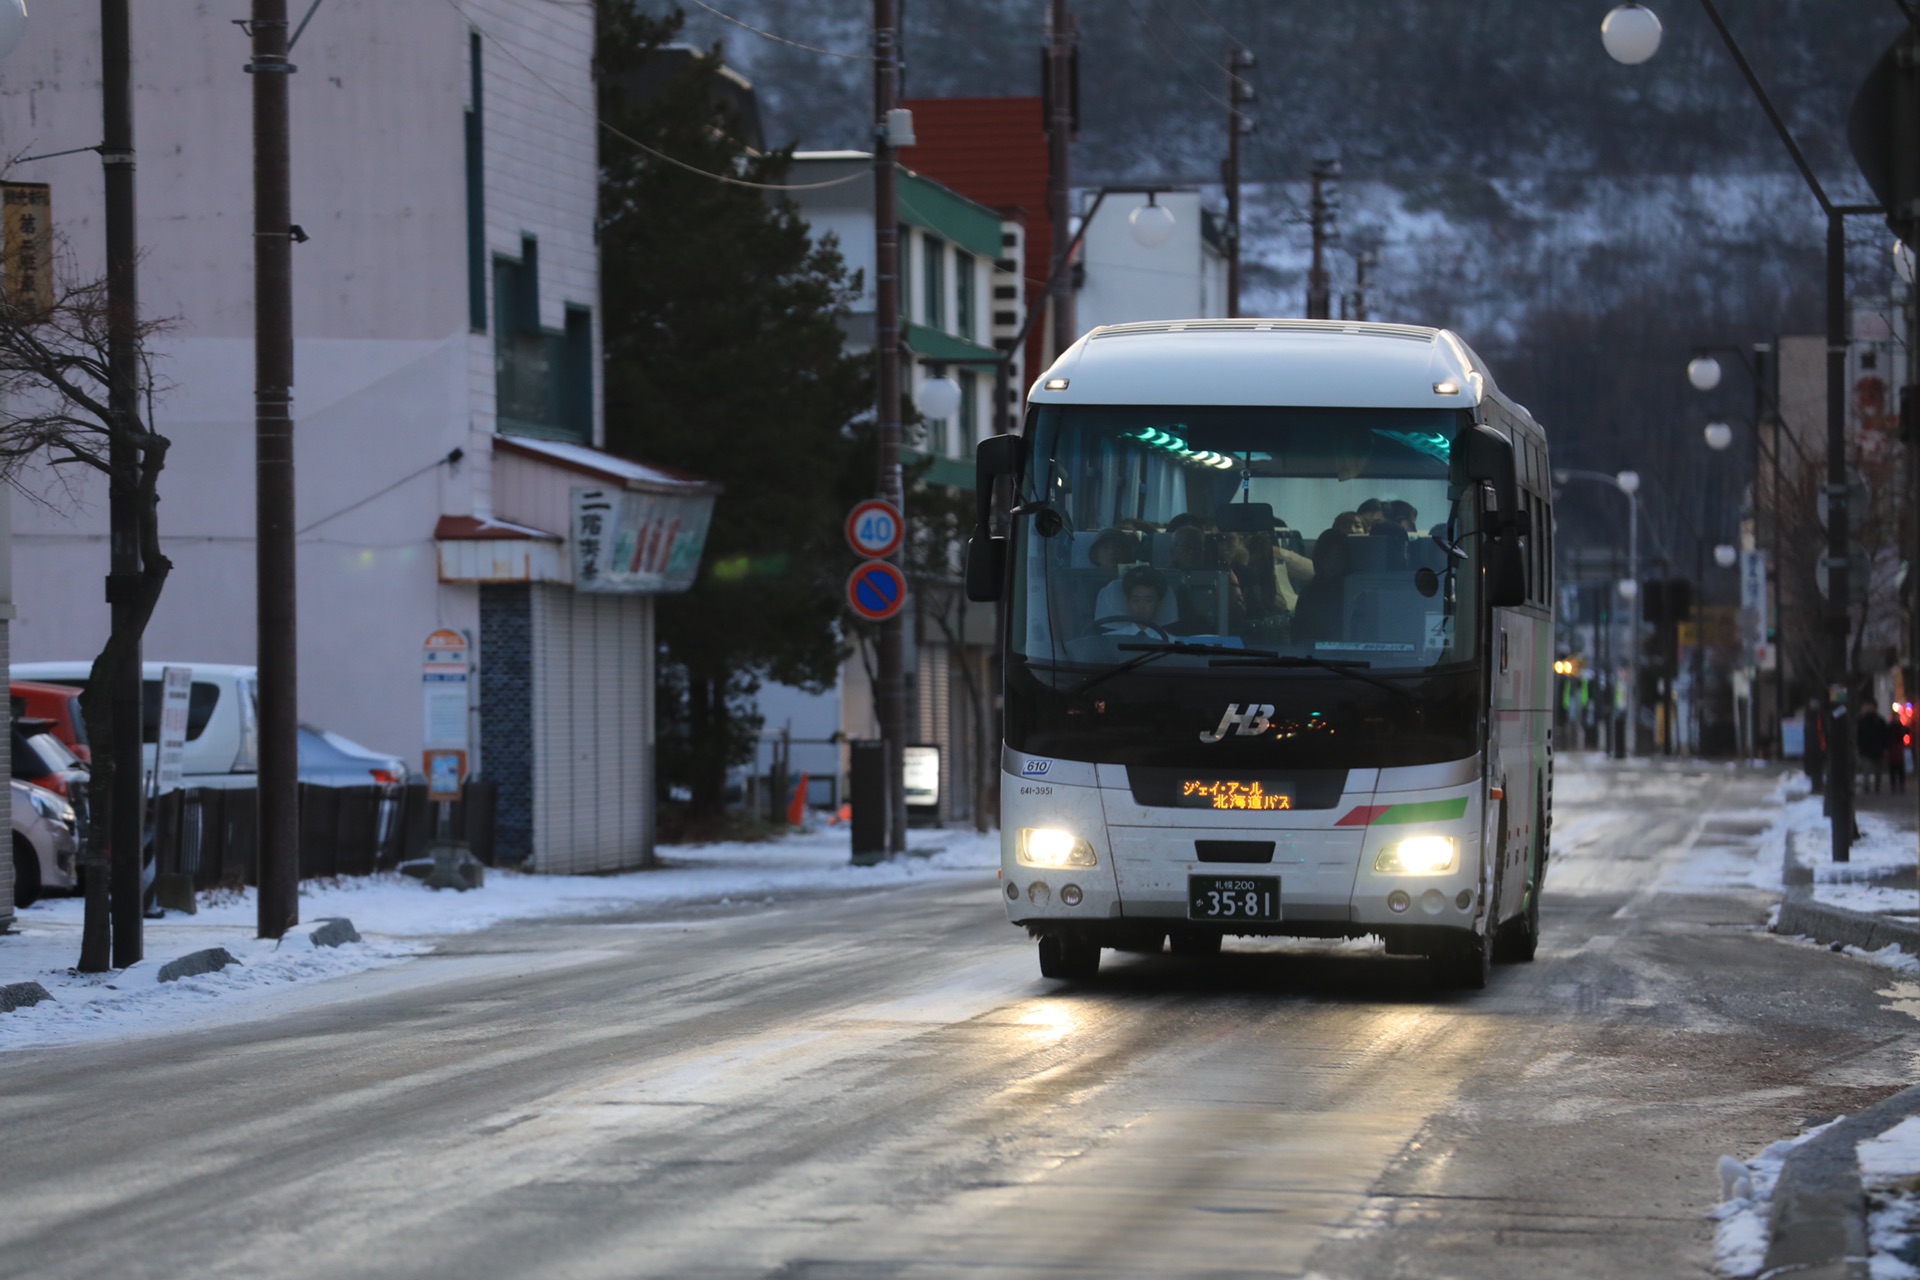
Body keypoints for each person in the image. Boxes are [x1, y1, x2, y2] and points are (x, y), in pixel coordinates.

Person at [1099, 565, 1169, 635]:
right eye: (1135, 600)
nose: (1141, 606)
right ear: (1128, 603)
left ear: (1158, 603)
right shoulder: (1112, 639)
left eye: (1148, 600)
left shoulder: (1171, 642)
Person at [1857, 706, 1888, 795]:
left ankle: (1876, 786)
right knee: (1867, 770)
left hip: (1877, 749)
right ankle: (1867, 786)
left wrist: (1885, 747)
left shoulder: (1879, 721)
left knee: (1877, 771)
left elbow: (1884, 735)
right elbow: (1859, 735)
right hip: (1867, 750)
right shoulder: (1862, 721)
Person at [1890, 718, 1910, 795]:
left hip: (1898, 749)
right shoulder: (1892, 727)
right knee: (1895, 769)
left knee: (1899, 769)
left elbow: (1907, 731)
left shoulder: (1900, 727)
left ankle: (1899, 785)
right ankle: (1895, 785)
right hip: (1895, 749)